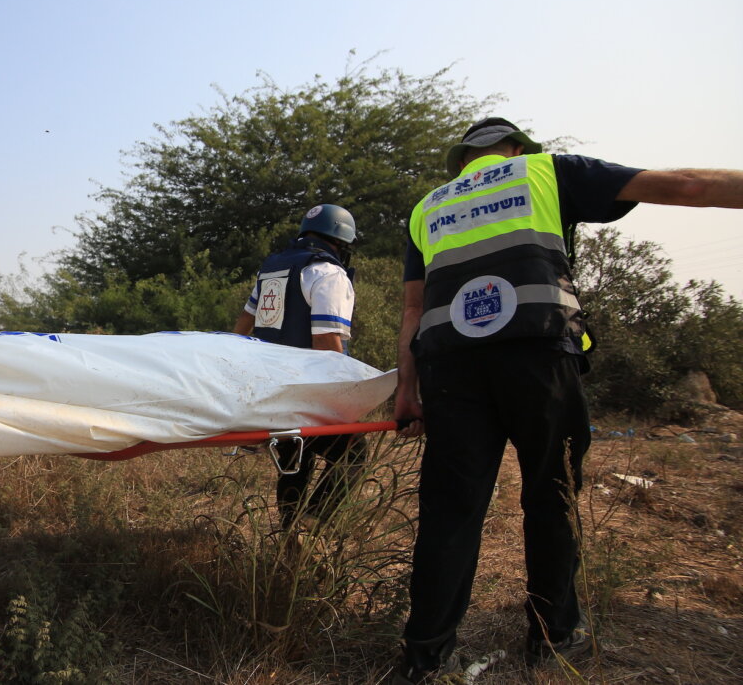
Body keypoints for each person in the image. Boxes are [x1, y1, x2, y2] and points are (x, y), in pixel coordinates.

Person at [391, 117, 743, 683]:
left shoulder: (428, 206)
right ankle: (552, 638)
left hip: (449, 366)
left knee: (450, 512)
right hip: (536, 355)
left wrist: (405, 391)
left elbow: (412, 310)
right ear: (514, 148)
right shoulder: (545, 170)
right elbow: (689, 186)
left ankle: (424, 654)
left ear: (463, 161)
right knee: (550, 497)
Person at [233, 204, 365, 529]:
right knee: (353, 453)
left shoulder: (271, 270)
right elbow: (327, 343)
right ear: (342, 242)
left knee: (295, 464)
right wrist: (347, 399)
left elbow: (240, 330)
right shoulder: (328, 274)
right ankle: (313, 523)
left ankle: (291, 538)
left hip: (270, 391)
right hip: (308, 393)